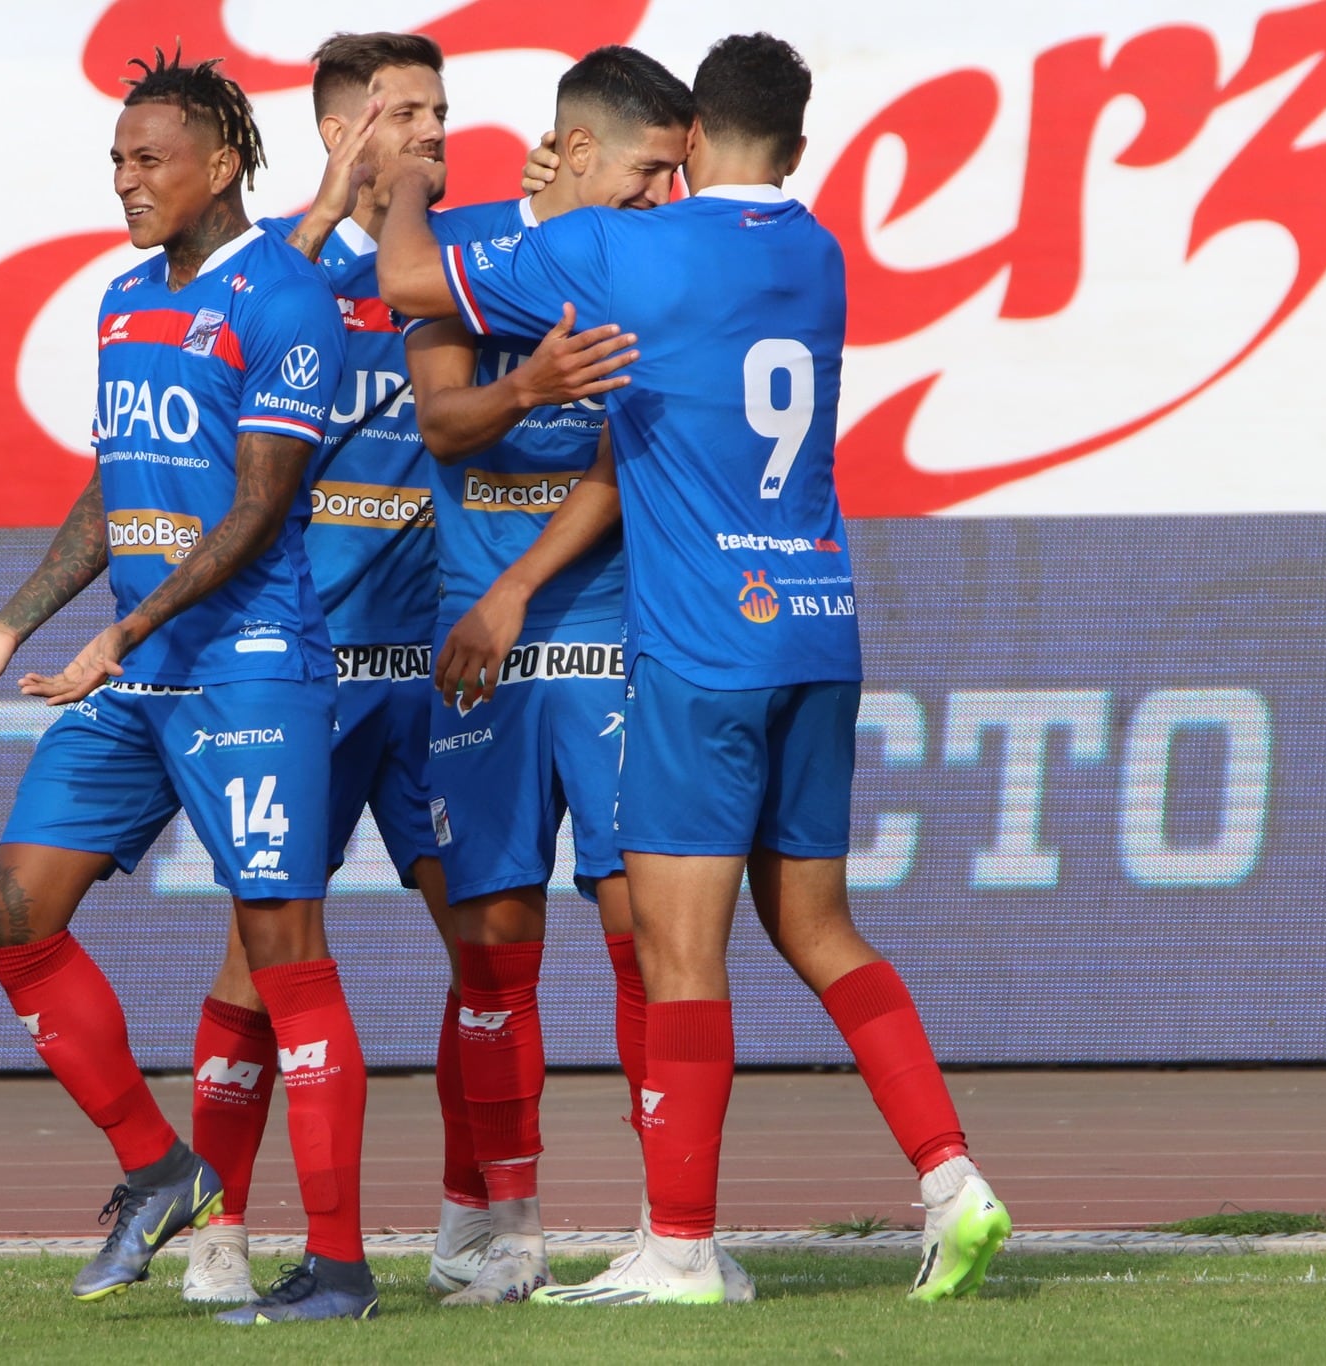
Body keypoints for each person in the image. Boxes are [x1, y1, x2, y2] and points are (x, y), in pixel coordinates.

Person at [379, 32, 1012, 1305]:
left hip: (697, 648)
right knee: (819, 926)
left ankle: (678, 1248)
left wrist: (403, 173)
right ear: (795, 142)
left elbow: (406, 278)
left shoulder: (630, 248)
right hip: (819, 629)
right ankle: (952, 1180)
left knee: (675, 955)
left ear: (700, 140)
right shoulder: (819, 254)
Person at [0, 50, 375, 1325]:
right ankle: (158, 1168)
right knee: (11, 911)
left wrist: (127, 633)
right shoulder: (121, 299)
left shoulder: (286, 300)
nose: (124, 180)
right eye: (116, 159)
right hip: (138, 663)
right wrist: (13, 624)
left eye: (146, 158)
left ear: (220, 167)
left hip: (251, 670)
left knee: (285, 959)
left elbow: (260, 499)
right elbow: (115, 485)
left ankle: (337, 1264)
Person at [375, 45, 749, 1305]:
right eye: (649, 170)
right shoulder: (467, 256)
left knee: (642, 933)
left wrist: (517, 583)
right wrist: (526, 380)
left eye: (676, 175)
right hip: (478, 658)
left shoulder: (661, 270)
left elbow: (616, 467)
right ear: (576, 151)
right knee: (490, 944)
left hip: (595, 632)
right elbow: (438, 420)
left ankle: (669, 1224)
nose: (663, 198)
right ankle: (504, 1224)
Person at [170, 30, 487, 1306]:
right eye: (401, 112)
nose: (429, 132)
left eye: (439, 109)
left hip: (435, 673)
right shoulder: (281, 278)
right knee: (256, 961)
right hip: (309, 674)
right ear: (339, 134)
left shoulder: (459, 272)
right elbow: (209, 335)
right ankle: (220, 1225)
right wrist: (310, 224)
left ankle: (481, 1220)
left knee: (487, 943)